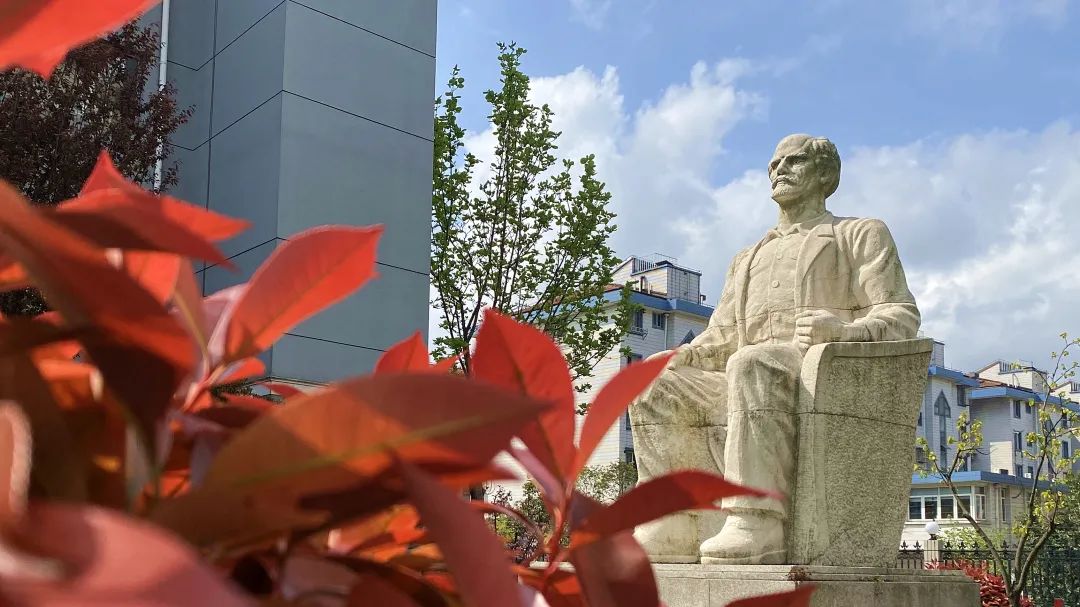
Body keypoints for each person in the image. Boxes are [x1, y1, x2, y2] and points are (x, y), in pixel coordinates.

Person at [629, 134, 920, 564]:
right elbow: (722, 336)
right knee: (651, 380)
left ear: (824, 174)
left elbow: (901, 315)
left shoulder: (858, 234)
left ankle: (757, 520)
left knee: (751, 362)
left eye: (794, 161)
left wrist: (842, 330)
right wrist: (682, 356)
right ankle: (671, 520)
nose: (779, 169)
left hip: (816, 380)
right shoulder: (747, 257)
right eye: (773, 164)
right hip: (744, 379)